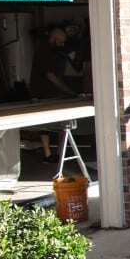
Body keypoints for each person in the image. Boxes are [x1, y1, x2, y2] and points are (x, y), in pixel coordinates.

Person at [29, 27, 77, 162]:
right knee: (46, 124)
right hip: (42, 92)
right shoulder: (43, 50)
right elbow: (50, 75)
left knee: (54, 124)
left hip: (51, 92)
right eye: (60, 42)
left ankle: (55, 154)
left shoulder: (52, 50)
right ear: (54, 38)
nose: (62, 45)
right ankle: (48, 154)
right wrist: (68, 91)